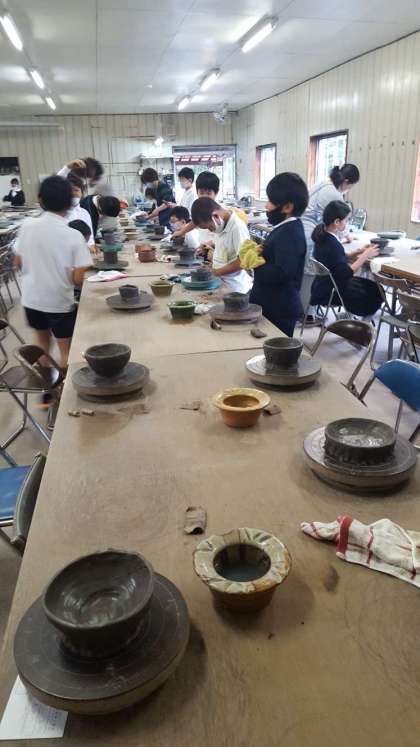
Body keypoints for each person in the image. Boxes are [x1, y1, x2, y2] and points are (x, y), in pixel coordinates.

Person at [14, 176, 91, 369]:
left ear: (40, 199)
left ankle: (46, 384)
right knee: (66, 351)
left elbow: (19, 263)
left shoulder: (27, 226)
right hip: (58, 301)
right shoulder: (74, 235)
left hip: (31, 299)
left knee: (42, 344)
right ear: (69, 203)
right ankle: (64, 385)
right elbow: (77, 279)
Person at [250, 172, 309, 337]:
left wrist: (256, 261)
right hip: (271, 303)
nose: (266, 206)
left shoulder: (290, 233)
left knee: (275, 348)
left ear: (287, 207)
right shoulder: (285, 228)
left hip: (279, 308)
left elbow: (282, 272)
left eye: (270, 201)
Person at [301, 163, 360, 324]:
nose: (349, 189)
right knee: (311, 274)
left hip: (304, 228)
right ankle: (308, 315)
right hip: (308, 231)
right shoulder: (334, 194)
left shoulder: (324, 183)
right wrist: (347, 235)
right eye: (351, 186)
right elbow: (338, 219)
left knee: (309, 273)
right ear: (346, 182)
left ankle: (307, 312)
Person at [310, 200, 382, 316]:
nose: (348, 223)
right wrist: (365, 255)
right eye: (347, 220)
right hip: (333, 290)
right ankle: (358, 323)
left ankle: (349, 316)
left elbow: (337, 259)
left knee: (372, 287)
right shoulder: (333, 244)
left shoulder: (323, 236)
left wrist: (359, 251)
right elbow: (346, 273)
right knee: (377, 291)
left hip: (322, 286)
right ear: (337, 222)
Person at [190, 197, 252, 294]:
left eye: (209, 227)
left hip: (235, 289)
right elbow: (222, 245)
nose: (210, 231)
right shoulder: (220, 224)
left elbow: (243, 261)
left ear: (215, 215)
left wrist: (216, 272)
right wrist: (211, 265)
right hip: (220, 283)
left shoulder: (237, 228)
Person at [65, 174, 95, 251]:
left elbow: (90, 236)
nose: (73, 193)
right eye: (70, 190)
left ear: (81, 193)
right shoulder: (60, 213)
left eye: (76, 190)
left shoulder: (85, 213)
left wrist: (91, 245)